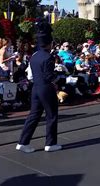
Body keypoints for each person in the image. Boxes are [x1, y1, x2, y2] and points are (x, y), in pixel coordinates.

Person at [16, 20, 61, 153]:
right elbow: (49, 76)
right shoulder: (49, 57)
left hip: (35, 88)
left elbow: (31, 73)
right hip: (46, 88)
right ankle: (50, 144)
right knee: (51, 115)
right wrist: (58, 79)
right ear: (49, 43)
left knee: (34, 115)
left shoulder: (34, 56)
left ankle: (23, 142)